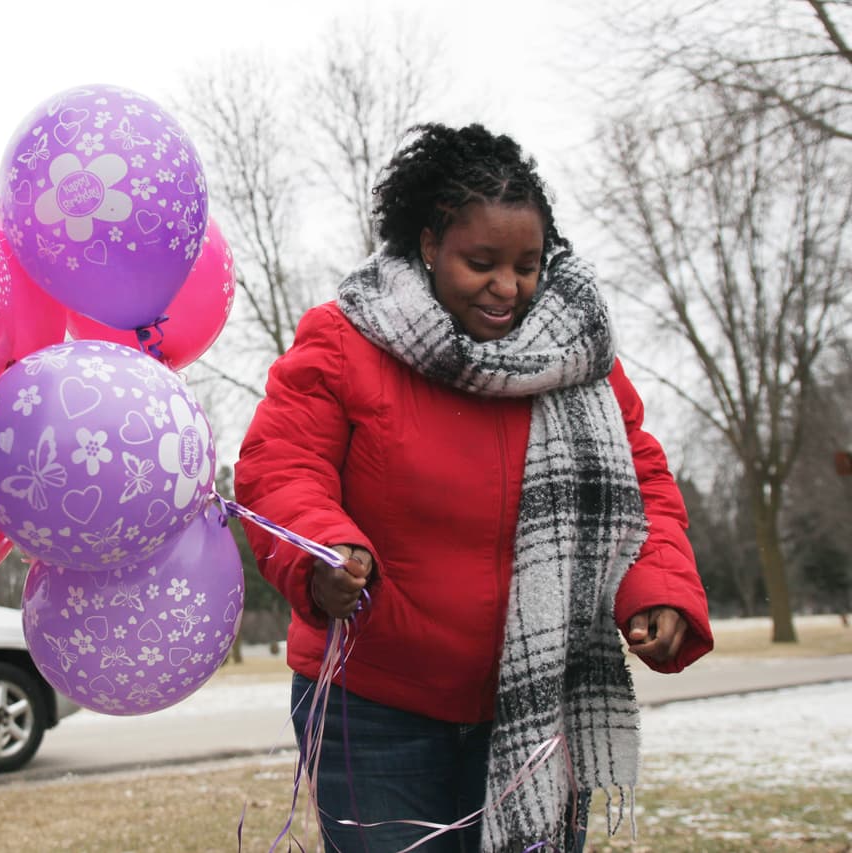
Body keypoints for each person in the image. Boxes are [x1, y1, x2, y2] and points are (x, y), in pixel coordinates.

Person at [233, 123, 713, 853]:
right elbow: (281, 464)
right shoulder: (345, 339)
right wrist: (321, 551)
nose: (508, 287)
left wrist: (660, 587)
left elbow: (642, 484)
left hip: (537, 710)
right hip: (377, 713)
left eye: (526, 264)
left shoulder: (580, 358)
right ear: (429, 244)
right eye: (481, 262)